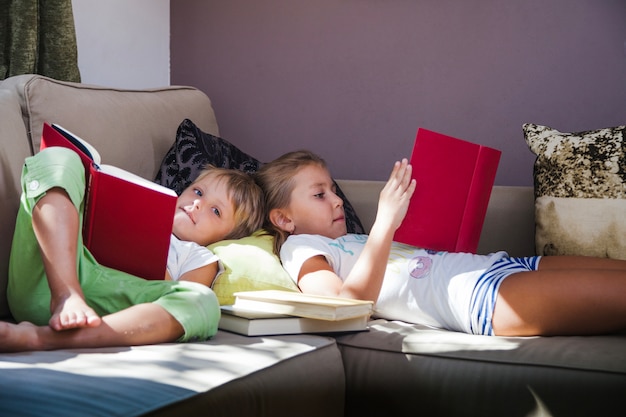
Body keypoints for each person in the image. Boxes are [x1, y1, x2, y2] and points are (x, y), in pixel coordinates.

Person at [254, 150, 626, 337]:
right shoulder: (300, 248)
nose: (337, 200)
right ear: (284, 219)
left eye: (334, 190)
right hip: (480, 298)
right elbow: (342, 307)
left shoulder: (352, 237)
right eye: (319, 194)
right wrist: (385, 223)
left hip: (499, 265)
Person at [0, 146, 264, 352]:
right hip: (50, 274)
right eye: (198, 192)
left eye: (215, 211)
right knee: (58, 158)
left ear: (227, 236)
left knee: (202, 302)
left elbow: (172, 294)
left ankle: (40, 338)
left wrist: (148, 251)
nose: (197, 205)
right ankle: (66, 294)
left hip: (115, 303)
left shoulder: (199, 256)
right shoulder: (146, 209)